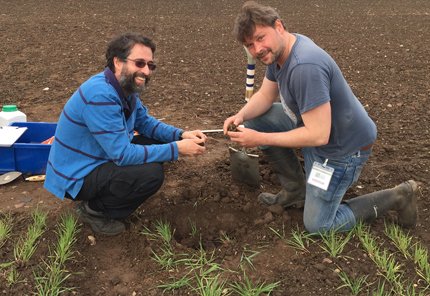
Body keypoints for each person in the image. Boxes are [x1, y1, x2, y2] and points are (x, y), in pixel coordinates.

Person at [223, 1, 418, 234]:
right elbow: (266, 94)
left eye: (260, 38)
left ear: (278, 26)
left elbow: (318, 135)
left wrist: (259, 138)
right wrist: (241, 115)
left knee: (318, 225)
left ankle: (398, 197)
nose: (257, 49)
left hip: (341, 149)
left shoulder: (304, 66)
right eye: (250, 45)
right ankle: (296, 191)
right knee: (256, 119)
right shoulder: (279, 52)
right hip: (313, 126)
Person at [44, 33, 207, 236]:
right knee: (151, 174)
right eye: (139, 63)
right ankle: (94, 210)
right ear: (117, 62)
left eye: (150, 65)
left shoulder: (124, 89)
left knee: (156, 143)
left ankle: (109, 195)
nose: (146, 71)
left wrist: (181, 135)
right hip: (76, 174)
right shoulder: (101, 95)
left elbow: (145, 123)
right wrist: (177, 149)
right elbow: (122, 155)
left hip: (99, 155)